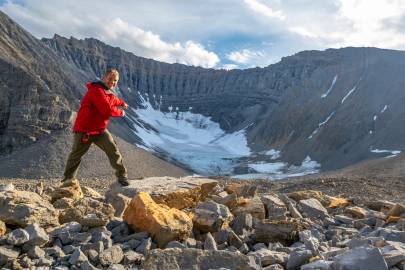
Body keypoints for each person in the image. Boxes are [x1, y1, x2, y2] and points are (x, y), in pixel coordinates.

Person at [62, 68, 130, 186]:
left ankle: (122, 176)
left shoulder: (107, 92)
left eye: (115, 81)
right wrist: (121, 112)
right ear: (104, 78)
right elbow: (107, 109)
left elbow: (114, 100)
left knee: (113, 150)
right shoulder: (96, 90)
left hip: (99, 130)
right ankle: (67, 181)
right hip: (84, 130)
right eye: (110, 79)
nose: (112, 82)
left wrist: (122, 103)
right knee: (76, 156)